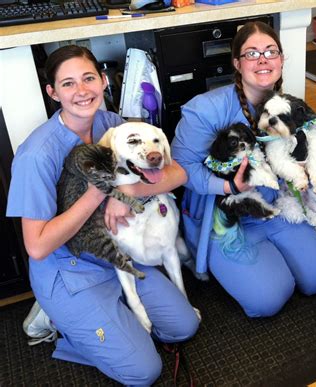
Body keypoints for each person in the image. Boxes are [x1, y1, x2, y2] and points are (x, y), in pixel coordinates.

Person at [6, 45, 199, 384]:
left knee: (184, 326)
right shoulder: (36, 155)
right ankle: (56, 318)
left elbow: (178, 174)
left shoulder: (111, 124)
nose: (81, 91)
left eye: (88, 78)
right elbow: (36, 247)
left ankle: (112, 324)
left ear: (103, 80)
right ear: (52, 93)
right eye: (67, 84)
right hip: (69, 268)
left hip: (119, 252)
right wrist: (101, 192)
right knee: (144, 371)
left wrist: (126, 191)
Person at [171, 21, 316, 318]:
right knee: (268, 298)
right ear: (237, 64)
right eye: (251, 53)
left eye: (270, 51)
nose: (263, 59)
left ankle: (278, 256)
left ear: (281, 59)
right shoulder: (204, 110)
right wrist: (229, 187)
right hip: (227, 215)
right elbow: (181, 168)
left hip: (278, 203)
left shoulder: (288, 105)